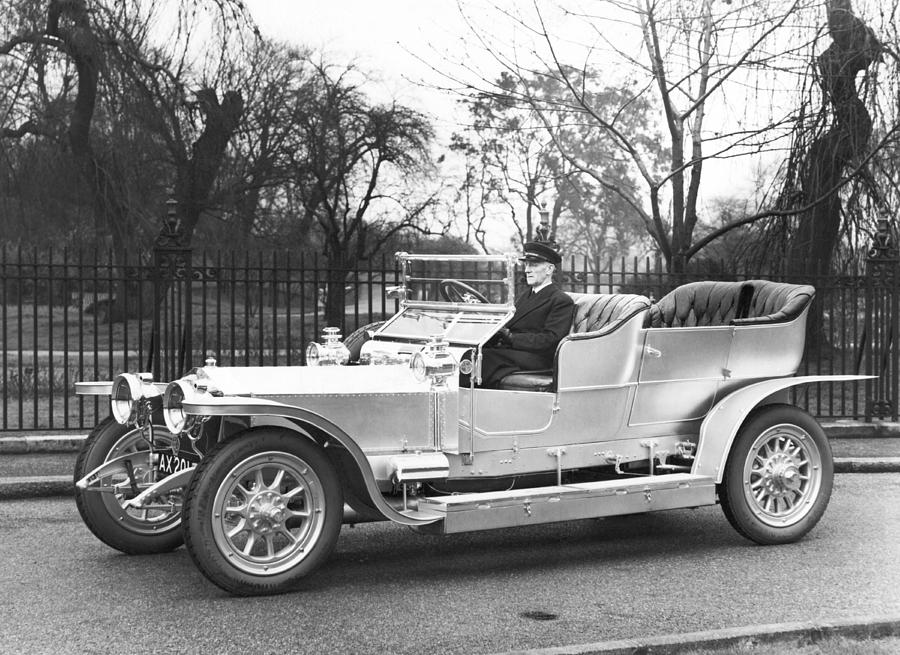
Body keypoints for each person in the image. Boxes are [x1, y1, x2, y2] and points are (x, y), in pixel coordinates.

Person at [471, 239, 575, 388]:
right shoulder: (525, 296)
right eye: (526, 264)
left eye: (533, 265)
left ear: (549, 270)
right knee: (472, 352)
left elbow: (551, 340)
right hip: (515, 352)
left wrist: (512, 338)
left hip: (537, 359)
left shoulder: (560, 300)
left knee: (484, 358)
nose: (527, 270)